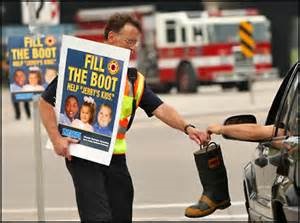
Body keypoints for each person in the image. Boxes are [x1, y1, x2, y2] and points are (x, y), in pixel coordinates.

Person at [39, 13, 210, 222]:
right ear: (111, 37)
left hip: (116, 158)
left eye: (135, 43)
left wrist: (188, 128)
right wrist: (57, 139)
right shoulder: (82, 67)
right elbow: (45, 103)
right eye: (129, 41)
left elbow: (161, 108)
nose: (133, 48)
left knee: (121, 215)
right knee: (98, 217)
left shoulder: (134, 80)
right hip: (84, 154)